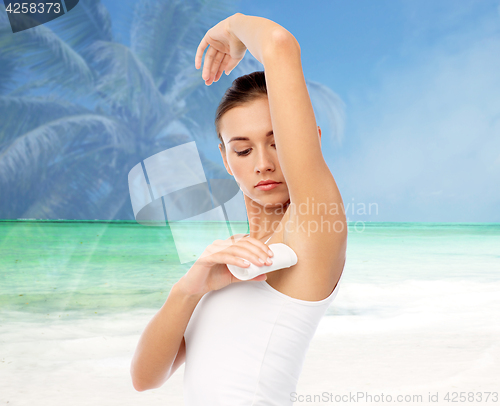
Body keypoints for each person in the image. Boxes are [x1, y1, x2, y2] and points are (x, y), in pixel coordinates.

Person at [130, 12, 347, 405]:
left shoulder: (312, 229)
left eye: (278, 141)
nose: (262, 162)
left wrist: (233, 24)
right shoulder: (227, 262)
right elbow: (145, 378)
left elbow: (280, 46)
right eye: (243, 150)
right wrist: (188, 288)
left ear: (307, 142)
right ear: (226, 160)